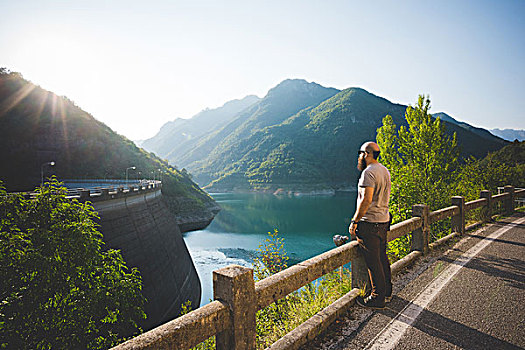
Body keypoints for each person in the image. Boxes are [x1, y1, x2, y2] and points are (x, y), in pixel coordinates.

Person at [349, 141, 392, 309]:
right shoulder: (384, 170)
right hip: (383, 220)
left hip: (370, 222)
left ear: (366, 154)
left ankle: (377, 298)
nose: (359, 156)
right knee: (382, 257)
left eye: (361, 153)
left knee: (373, 263)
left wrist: (355, 221)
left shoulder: (368, 173)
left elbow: (366, 200)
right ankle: (387, 291)